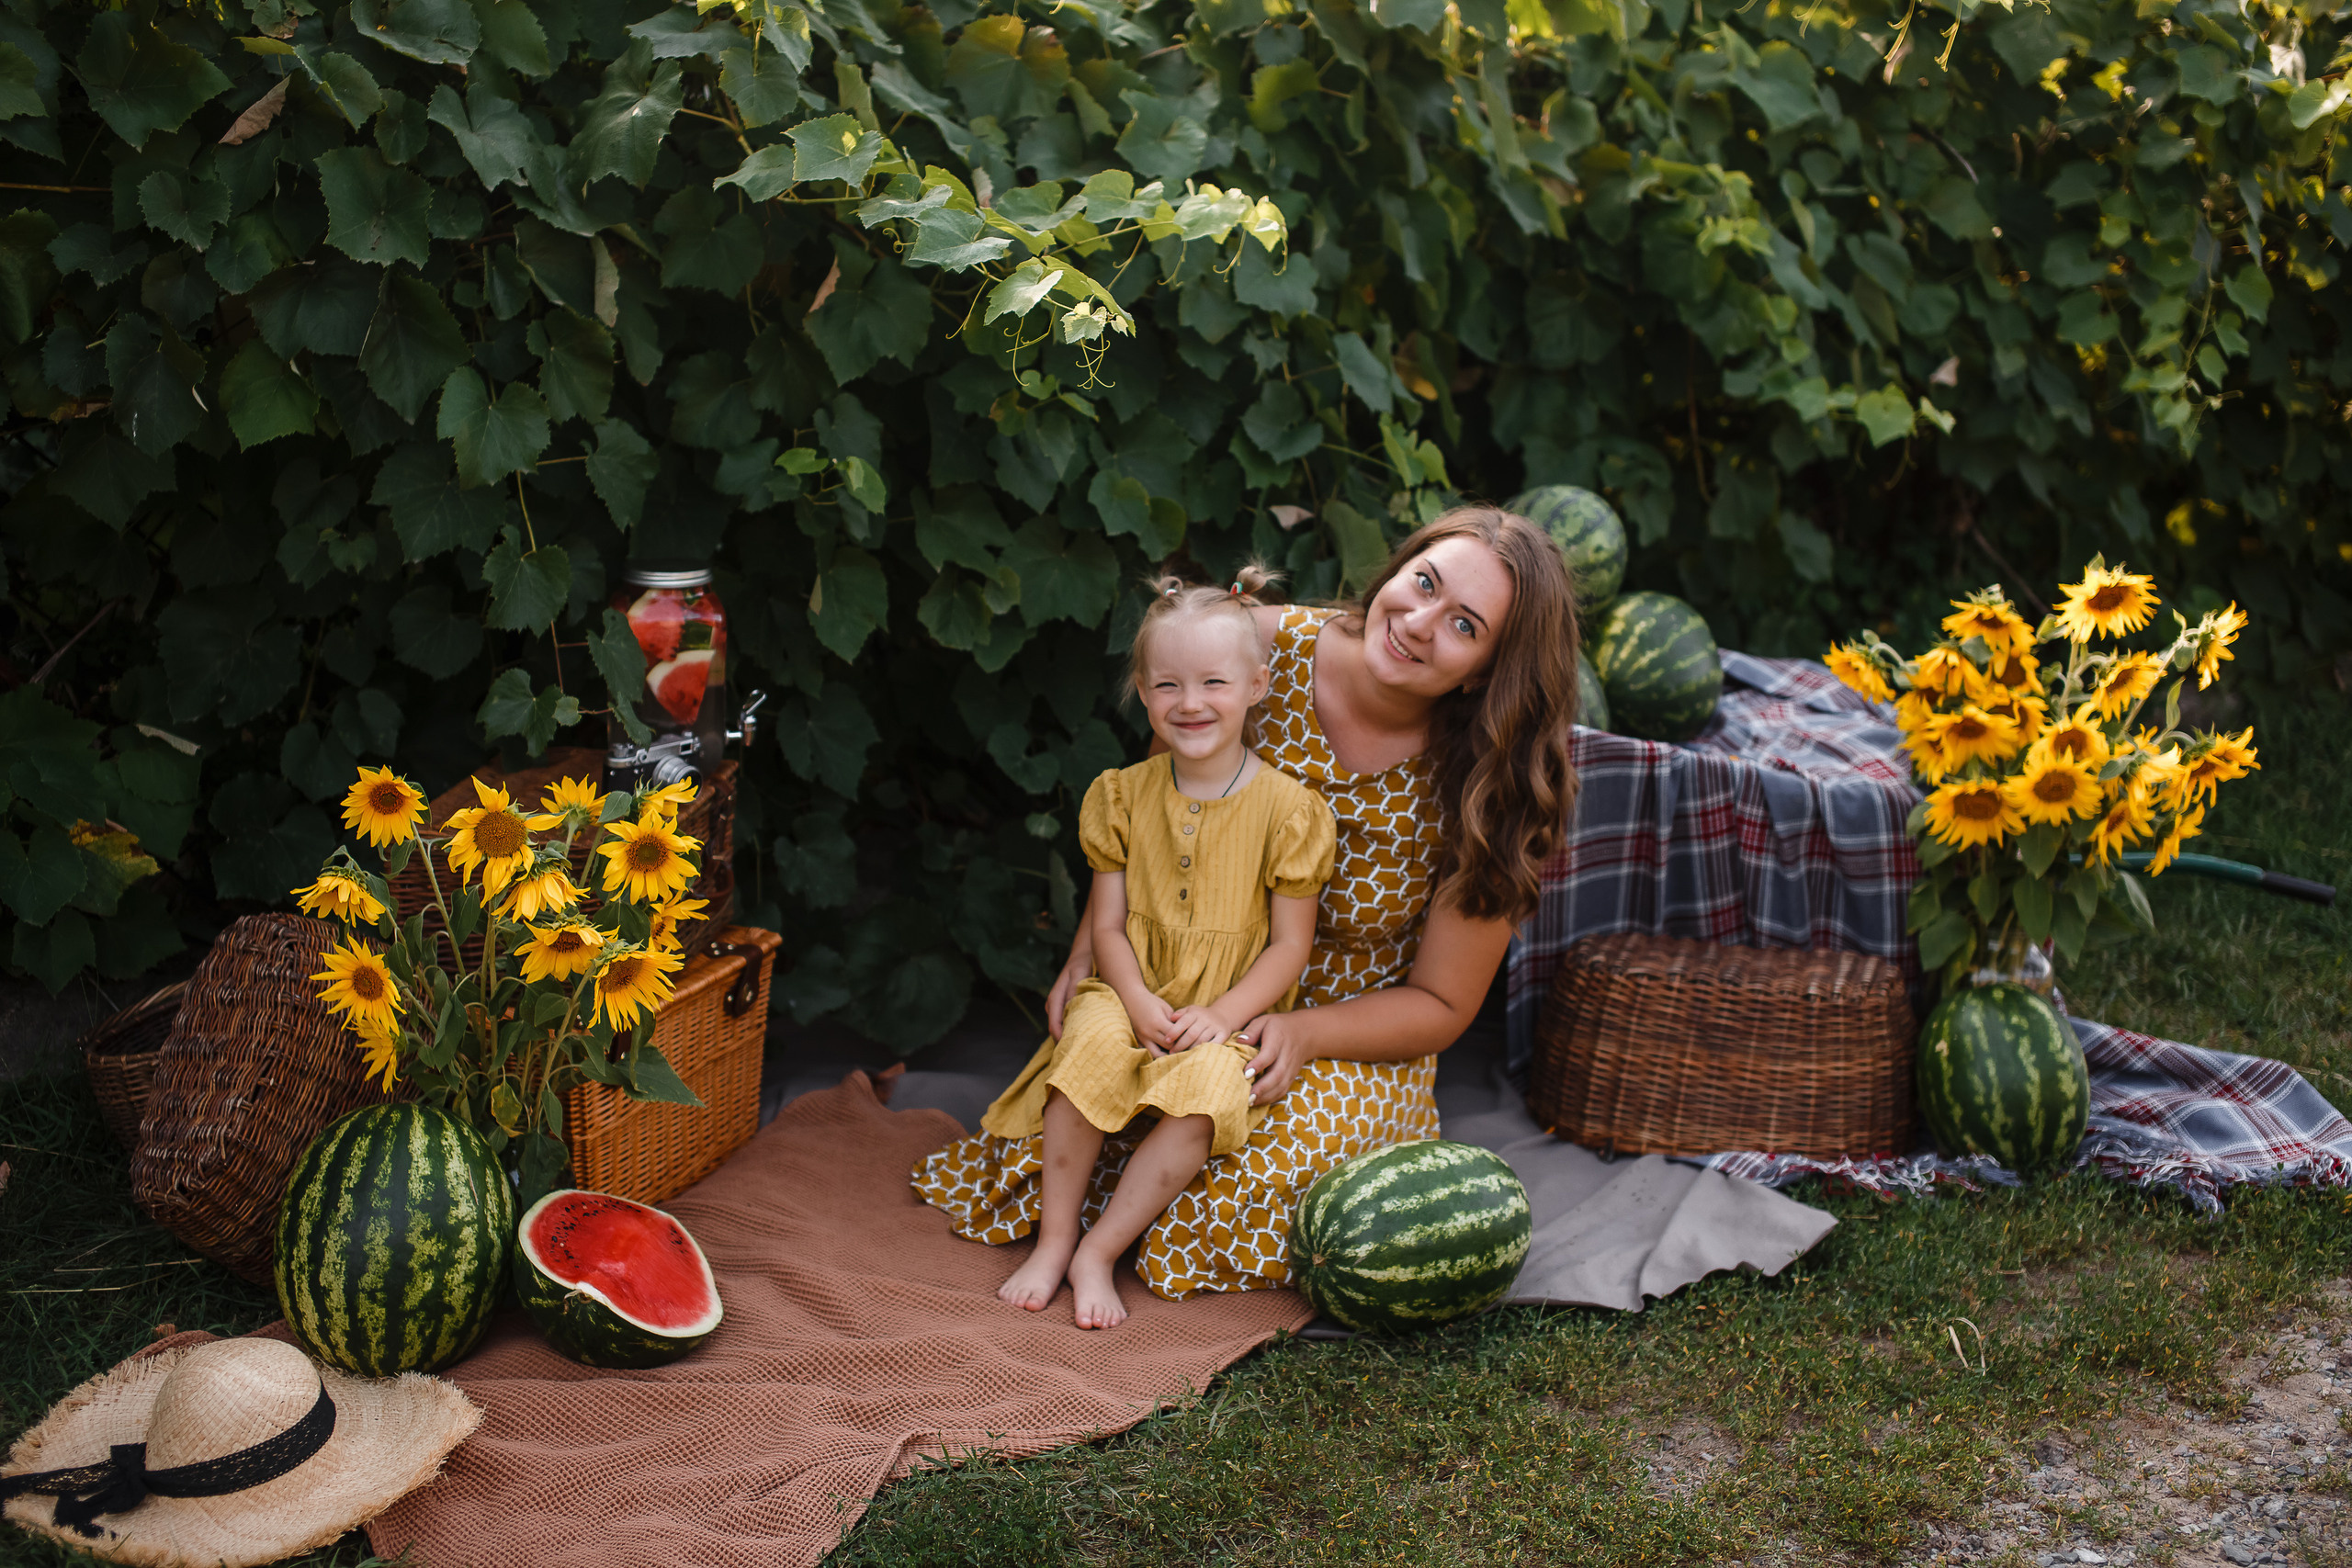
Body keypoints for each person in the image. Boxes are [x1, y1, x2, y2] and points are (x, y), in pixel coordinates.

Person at [915, 505, 1581, 1305]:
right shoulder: (1255, 648)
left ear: (1484, 670)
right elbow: (1149, 820)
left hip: (1345, 1029)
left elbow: (1441, 1002)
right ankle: (1077, 1237)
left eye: (1464, 624)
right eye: (1424, 582)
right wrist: (1093, 956)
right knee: (1088, 1099)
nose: (1418, 621)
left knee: (1232, 1177)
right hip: (1191, 976)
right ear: (1400, 567)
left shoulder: (1491, 786)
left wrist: (1301, 1029)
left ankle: (1113, 1246)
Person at [941, 568, 1339, 1328]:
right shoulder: (1122, 795)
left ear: (1257, 686)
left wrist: (1222, 1016)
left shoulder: (1290, 811)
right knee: (1081, 1058)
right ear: (1144, 691)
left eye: (1215, 682)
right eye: (1168, 685)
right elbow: (1108, 926)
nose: (1191, 703)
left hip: (1225, 1008)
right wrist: (1130, 998)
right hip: (1128, 987)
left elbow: (1290, 947)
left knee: (1207, 1100)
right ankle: (1055, 1240)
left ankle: (1101, 1250)